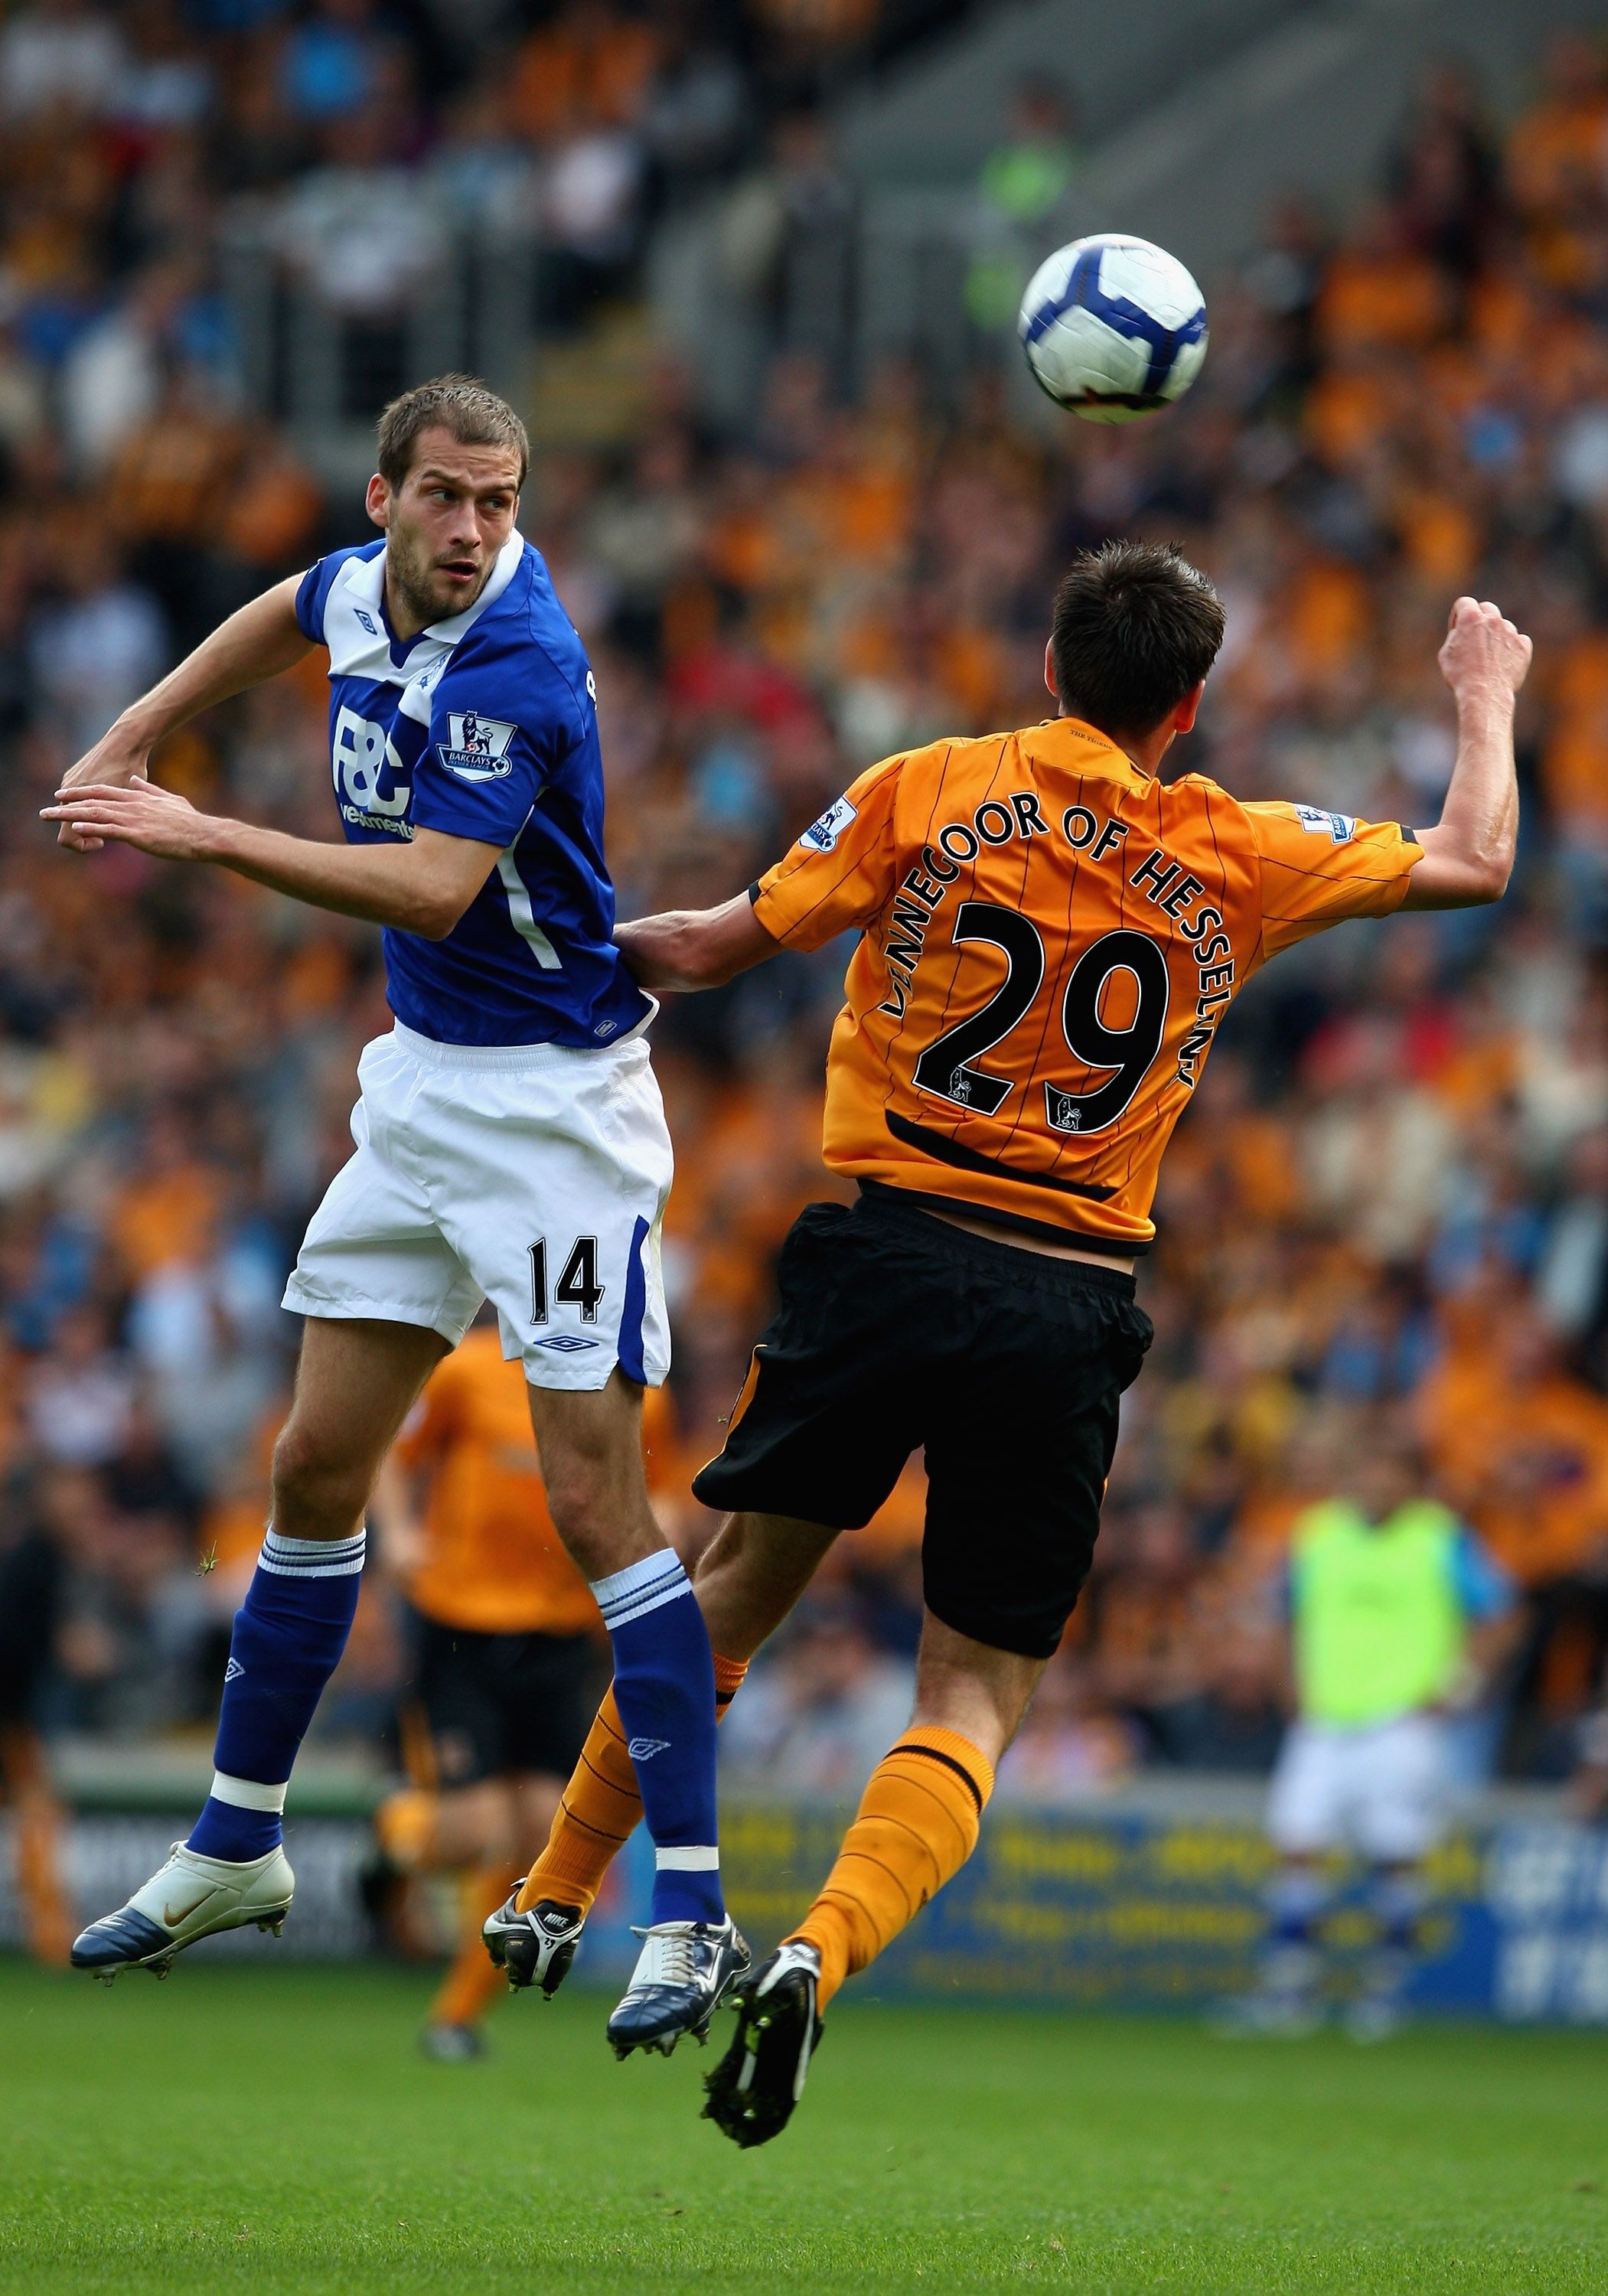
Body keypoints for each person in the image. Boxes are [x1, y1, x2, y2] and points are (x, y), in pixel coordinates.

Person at [484, 542, 1531, 2144]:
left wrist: (526, 948)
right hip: (1066, 1297)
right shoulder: (1240, 846)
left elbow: (700, 949)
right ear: (1186, 705)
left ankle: (556, 1888)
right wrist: (1484, 693)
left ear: (1049, 667)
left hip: (888, 1252)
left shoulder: (927, 786)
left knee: (731, 1594)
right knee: (974, 1689)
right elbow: (1473, 861)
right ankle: (821, 1955)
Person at [44, 374, 744, 2057]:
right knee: (308, 1466)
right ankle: (237, 1839)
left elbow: (435, 883)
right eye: (446, 497)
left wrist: (198, 830)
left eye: (499, 504)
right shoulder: (364, 582)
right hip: (424, 1087)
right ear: (384, 496)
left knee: (597, 1504)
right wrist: (131, 733)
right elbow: (276, 613)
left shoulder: (517, 655)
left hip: (558, 1121)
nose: (473, 530)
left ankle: (694, 1909)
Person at [367, 1322, 674, 2062]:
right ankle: (390, 1841)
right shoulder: (466, 1372)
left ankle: (455, 2016)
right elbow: (392, 1458)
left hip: (562, 1636)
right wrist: (401, 1535)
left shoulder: (632, 1388)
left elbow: (661, 1493)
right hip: (461, 1629)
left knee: (542, 1841)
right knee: (471, 1834)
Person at [1228, 1425, 1514, 2041]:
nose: (1376, 1484)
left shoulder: (1442, 1539)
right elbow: (1284, 1615)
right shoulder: (1317, 1535)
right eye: (1367, 1472)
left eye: (1391, 1474)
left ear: (1414, 1483)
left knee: (1396, 1854)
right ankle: (1289, 1989)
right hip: (1325, 1718)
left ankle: (1383, 1991)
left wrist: (1456, 1688)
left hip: (1400, 1721)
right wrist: (1289, 1688)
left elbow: (1502, 1615)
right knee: (1296, 1844)